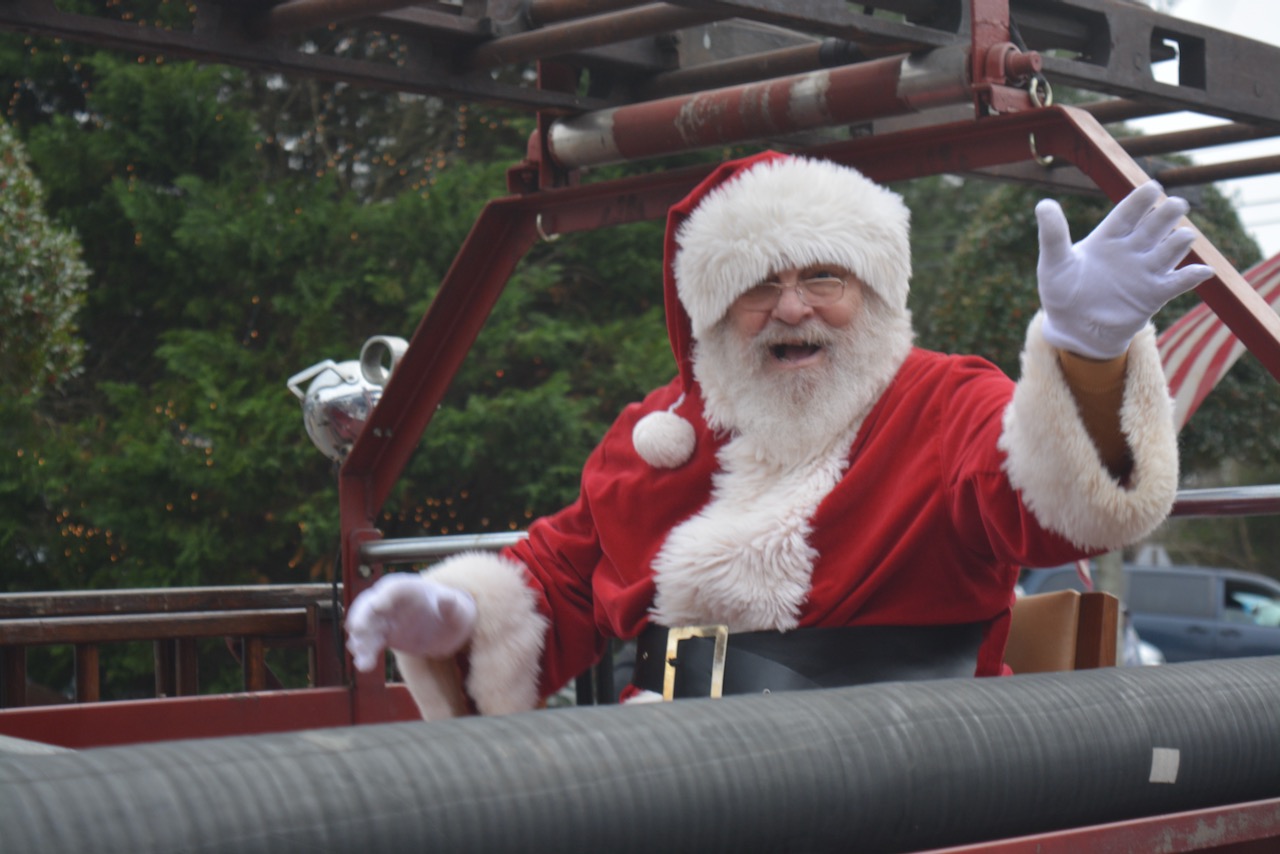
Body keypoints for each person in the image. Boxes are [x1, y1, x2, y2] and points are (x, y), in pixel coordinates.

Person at [345, 151, 1213, 718]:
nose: (792, 308)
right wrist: (455, 615)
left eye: (823, 276)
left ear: (874, 294)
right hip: (672, 769)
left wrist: (1086, 356)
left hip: (905, 775)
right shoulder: (661, 434)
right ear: (712, 315)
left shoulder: (943, 400)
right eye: (758, 285)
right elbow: (564, 574)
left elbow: (1053, 510)